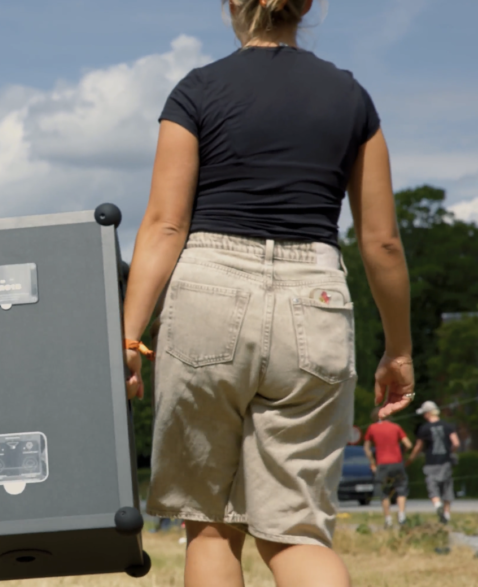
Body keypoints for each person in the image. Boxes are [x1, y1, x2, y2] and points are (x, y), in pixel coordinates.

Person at [122, 1, 415, 585]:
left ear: (232, 3)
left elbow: (163, 225)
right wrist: (399, 350)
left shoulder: (197, 90)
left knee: (209, 525)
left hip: (209, 292)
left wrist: (129, 335)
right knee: (298, 532)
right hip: (316, 300)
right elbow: (381, 243)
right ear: (306, 6)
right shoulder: (351, 98)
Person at [408, 401, 460, 523]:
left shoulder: (424, 428)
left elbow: (418, 447)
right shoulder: (447, 426)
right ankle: (446, 515)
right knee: (447, 487)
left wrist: (411, 459)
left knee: (432, 486)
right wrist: (450, 451)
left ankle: (437, 505)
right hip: (445, 461)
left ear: (427, 413)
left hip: (431, 462)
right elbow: (456, 442)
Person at [363, 409, 412, 527]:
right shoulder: (396, 427)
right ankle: (401, 516)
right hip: (397, 463)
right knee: (401, 488)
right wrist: (402, 453)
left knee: (384, 492)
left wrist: (372, 463)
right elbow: (408, 444)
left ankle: (388, 519)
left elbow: (366, 448)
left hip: (382, 464)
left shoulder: (372, 428)